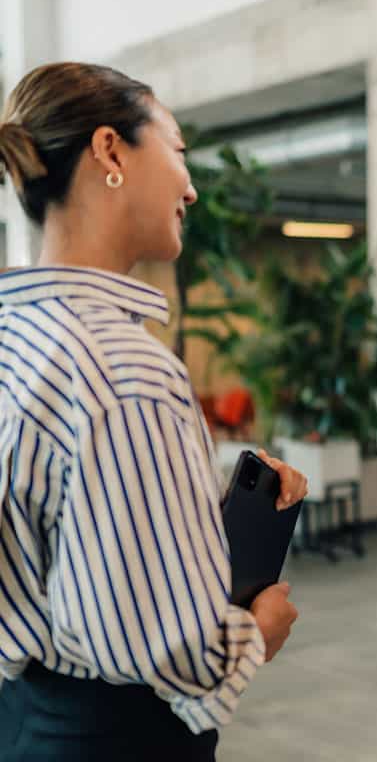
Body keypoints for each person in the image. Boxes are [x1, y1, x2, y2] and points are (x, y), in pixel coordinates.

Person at [0, 62, 308, 761]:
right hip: (117, 738)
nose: (191, 188)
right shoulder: (124, 369)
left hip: (21, 719)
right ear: (110, 151)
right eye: (176, 151)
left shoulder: (16, 335)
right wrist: (257, 631)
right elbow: (175, 649)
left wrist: (188, 496)